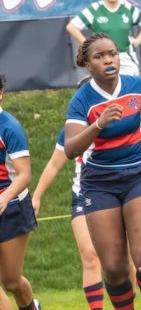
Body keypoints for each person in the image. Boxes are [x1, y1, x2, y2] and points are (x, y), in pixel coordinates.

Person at [64, 33, 141, 310]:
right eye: (99, 56)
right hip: (99, 183)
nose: (108, 60)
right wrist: (98, 124)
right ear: (88, 65)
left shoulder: (137, 87)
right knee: (114, 268)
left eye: (112, 54)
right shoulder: (82, 100)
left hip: (138, 174)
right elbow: (70, 149)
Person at [32, 127, 104, 310]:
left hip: (118, 191)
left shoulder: (118, 117)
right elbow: (54, 164)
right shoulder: (73, 128)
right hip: (83, 194)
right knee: (90, 255)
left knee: (124, 259)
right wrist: (37, 196)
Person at [0, 74, 40, 310]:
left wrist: (3, 198)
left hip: (12, 206)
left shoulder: (9, 127)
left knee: (12, 281)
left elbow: (24, 175)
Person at [66, 0, 141, 76]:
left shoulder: (128, 9)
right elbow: (71, 27)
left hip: (125, 56)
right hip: (103, 58)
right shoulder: (95, 9)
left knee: (130, 87)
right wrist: (87, 44)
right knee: (106, 88)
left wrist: (138, 40)